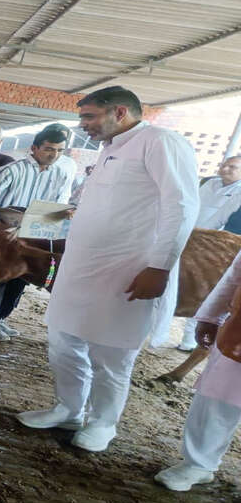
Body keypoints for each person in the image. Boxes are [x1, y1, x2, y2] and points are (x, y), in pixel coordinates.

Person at [17, 86, 199, 452]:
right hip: (81, 267)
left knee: (111, 353)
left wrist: (159, 267)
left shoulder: (160, 142)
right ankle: (69, 409)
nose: (83, 126)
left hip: (127, 269)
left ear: (119, 112)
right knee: (63, 341)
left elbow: (180, 206)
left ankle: (103, 423)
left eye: (89, 117)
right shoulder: (110, 149)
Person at [0, 126, 72, 341]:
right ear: (34, 148)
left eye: (60, 150)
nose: (54, 154)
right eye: (48, 149)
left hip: (33, 239)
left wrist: (64, 213)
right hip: (2, 239)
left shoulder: (60, 175)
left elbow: (58, 206)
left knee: (20, 281)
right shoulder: (13, 170)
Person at [155, 249, 241, 491]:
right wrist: (210, 317)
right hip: (239, 333)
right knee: (217, 397)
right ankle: (198, 464)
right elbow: (235, 276)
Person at [153, 155, 241, 351]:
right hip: (186, 236)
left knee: (204, 297)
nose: (225, 169)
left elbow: (231, 226)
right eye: (224, 164)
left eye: (232, 167)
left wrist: (208, 243)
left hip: (212, 247)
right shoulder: (208, 182)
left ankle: (189, 343)